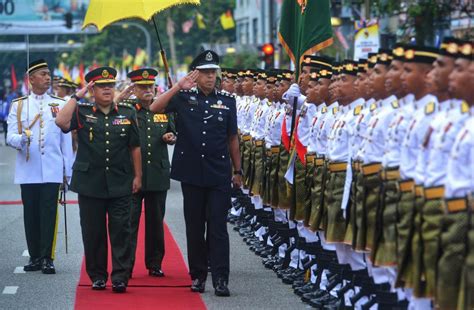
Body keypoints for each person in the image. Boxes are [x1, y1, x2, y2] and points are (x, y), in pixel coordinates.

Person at [149, 50, 241, 297]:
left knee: (218, 228)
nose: (211, 77)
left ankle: (221, 278)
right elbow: (154, 107)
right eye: (206, 73)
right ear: (196, 75)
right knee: (194, 227)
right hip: (191, 172)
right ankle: (198, 276)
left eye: (213, 72)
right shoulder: (183, 97)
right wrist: (178, 86)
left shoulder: (228, 101)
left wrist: (238, 170)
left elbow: (232, 138)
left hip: (219, 172)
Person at [55, 66, 142, 293]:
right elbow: (61, 123)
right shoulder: (81, 110)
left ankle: (121, 276)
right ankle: (98, 276)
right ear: (93, 89)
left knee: (122, 230)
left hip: (121, 180)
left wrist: (138, 176)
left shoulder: (126, 112)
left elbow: (134, 147)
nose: (107, 90)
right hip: (90, 182)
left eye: (110, 86)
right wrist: (77, 95)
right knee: (93, 232)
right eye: (101, 86)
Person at [6, 59, 73, 274]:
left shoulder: (60, 104)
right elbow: (10, 137)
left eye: (48, 74)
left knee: (49, 213)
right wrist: (21, 140)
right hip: (28, 169)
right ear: (31, 78)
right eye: (43, 74)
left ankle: (47, 257)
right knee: (31, 214)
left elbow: (66, 142)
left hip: (52, 169)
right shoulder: (19, 105)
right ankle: (34, 256)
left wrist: (67, 173)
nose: (48, 77)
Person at [126, 68, 176, 277]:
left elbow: (172, 131)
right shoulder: (127, 110)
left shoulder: (164, 109)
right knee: (129, 222)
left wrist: (170, 136)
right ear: (134, 89)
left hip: (157, 173)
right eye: (142, 87)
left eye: (150, 86)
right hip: (132, 176)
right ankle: (125, 265)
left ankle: (154, 263)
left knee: (156, 222)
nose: (147, 90)